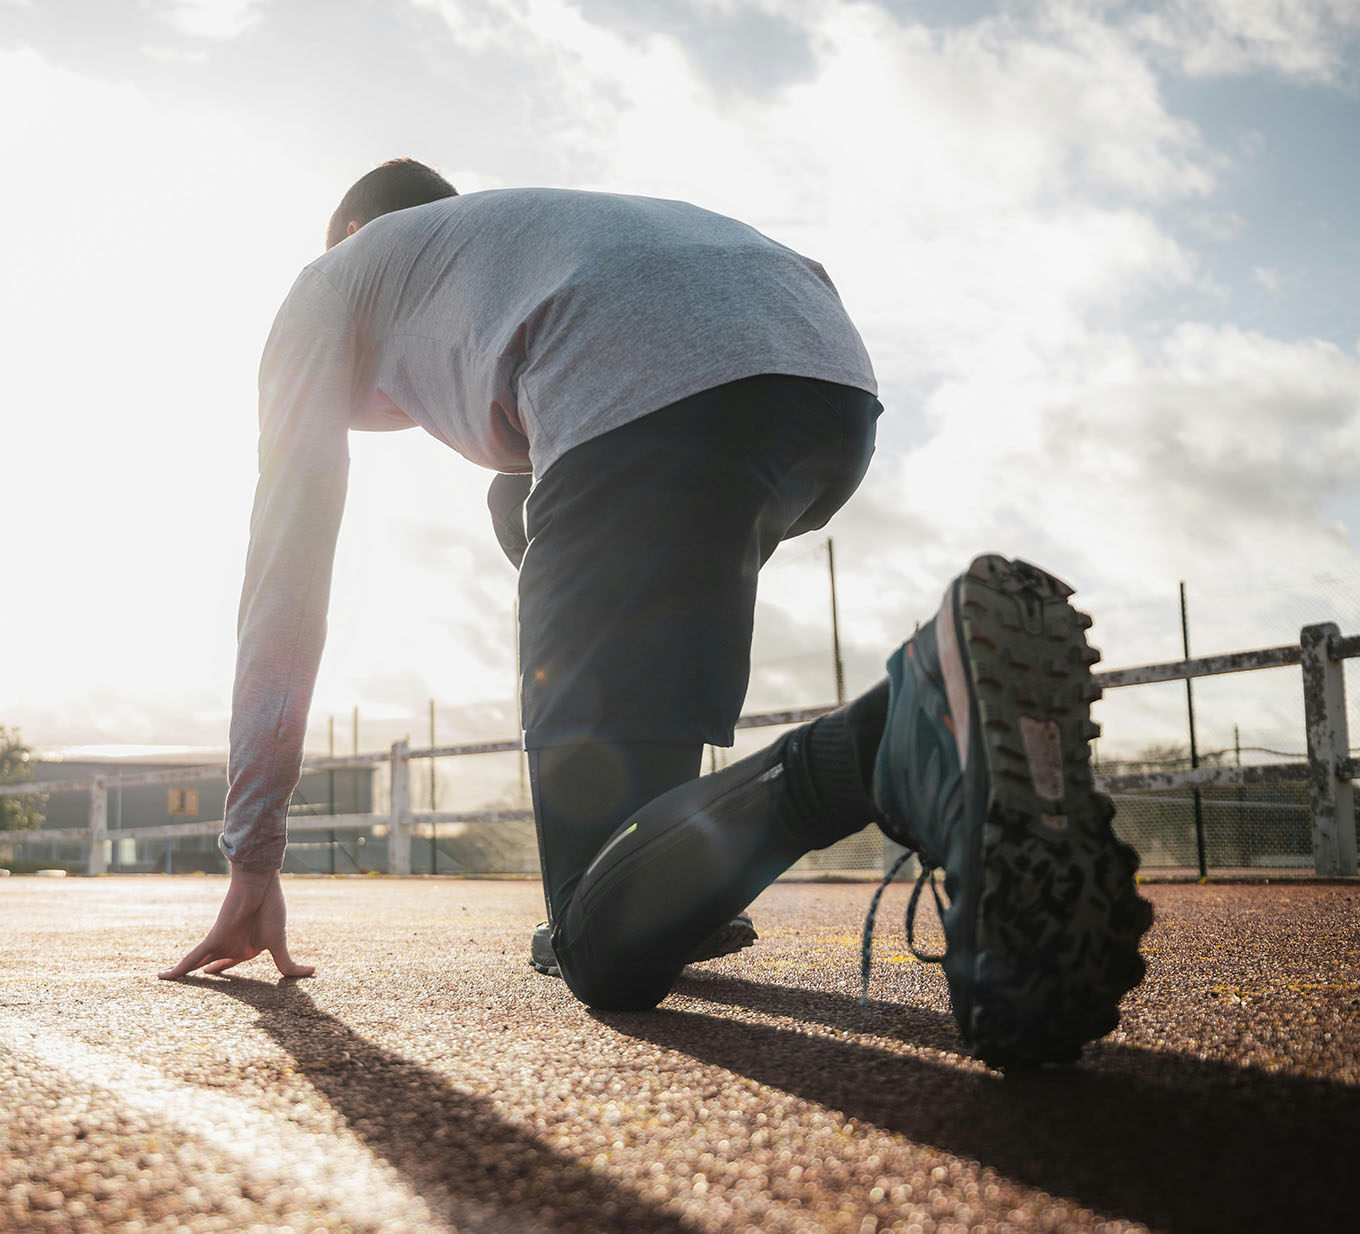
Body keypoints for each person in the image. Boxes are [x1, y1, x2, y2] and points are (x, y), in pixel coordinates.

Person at [161, 159, 1153, 1068]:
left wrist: (254, 853)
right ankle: (685, 867)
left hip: (640, 392)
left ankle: (893, 738)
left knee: (597, 944)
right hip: (822, 380)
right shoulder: (514, 237)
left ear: (351, 233)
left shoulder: (331, 280)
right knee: (529, 509)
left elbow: (284, 575)